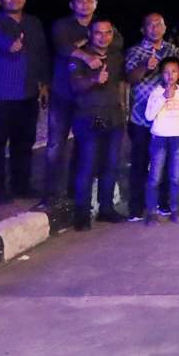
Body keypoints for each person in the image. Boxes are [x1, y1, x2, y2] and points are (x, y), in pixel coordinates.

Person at [42, 0, 123, 211]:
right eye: (80, 1)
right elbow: (62, 47)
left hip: (90, 100)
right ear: (72, 4)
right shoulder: (62, 25)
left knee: (84, 148)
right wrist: (86, 53)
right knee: (56, 145)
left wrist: (80, 44)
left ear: (96, 3)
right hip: (63, 93)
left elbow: (117, 43)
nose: (85, 5)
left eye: (89, 1)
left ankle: (74, 191)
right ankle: (51, 194)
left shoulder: (102, 25)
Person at [0, 0, 49, 204]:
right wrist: (11, 45)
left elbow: (41, 55)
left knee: (24, 143)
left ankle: (21, 185)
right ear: (0, 0)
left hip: (28, 93)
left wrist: (44, 84)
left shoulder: (34, 22)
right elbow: (4, 45)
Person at [68, 19, 128, 230]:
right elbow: (75, 86)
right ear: (90, 34)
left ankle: (106, 209)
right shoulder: (80, 56)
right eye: (98, 33)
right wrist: (94, 80)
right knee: (86, 166)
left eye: (107, 32)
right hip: (89, 118)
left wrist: (124, 108)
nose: (103, 37)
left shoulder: (116, 56)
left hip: (114, 118)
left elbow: (122, 82)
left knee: (111, 166)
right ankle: (82, 214)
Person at [124, 13, 179, 220]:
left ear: (165, 28)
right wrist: (145, 66)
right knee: (139, 163)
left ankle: (163, 204)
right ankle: (136, 208)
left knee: (165, 165)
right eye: (150, 25)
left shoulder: (172, 50)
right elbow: (130, 78)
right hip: (141, 118)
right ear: (143, 29)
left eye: (159, 24)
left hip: (167, 120)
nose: (155, 28)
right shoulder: (134, 51)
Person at [143, 58, 179, 226]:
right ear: (161, 74)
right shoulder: (156, 93)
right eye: (166, 72)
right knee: (155, 177)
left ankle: (174, 210)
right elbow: (149, 116)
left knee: (175, 177)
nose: (170, 75)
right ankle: (151, 212)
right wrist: (164, 97)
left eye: (174, 71)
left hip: (178, 139)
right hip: (160, 139)